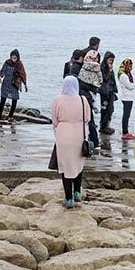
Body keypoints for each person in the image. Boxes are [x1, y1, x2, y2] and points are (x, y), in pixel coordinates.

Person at [52, 76, 91, 208]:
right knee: (78, 164)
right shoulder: (82, 100)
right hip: (79, 135)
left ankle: (68, 199)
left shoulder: (57, 100)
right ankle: (77, 193)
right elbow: (87, 118)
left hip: (63, 135)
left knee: (65, 166)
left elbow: (54, 120)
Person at [66, 49, 100, 148]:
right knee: (89, 120)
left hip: (77, 97)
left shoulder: (72, 67)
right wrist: (94, 88)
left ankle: (83, 140)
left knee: (81, 120)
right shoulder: (79, 68)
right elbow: (83, 83)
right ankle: (94, 142)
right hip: (84, 97)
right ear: (81, 58)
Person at [0, 49, 27, 121]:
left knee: (14, 100)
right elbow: (2, 71)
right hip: (6, 83)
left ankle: (10, 116)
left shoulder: (19, 64)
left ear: (18, 58)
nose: (13, 59)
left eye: (15, 58)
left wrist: (25, 84)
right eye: (12, 57)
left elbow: (23, 74)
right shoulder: (7, 62)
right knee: (3, 100)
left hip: (14, 84)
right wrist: (0, 79)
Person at [99, 51, 118, 135]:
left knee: (110, 109)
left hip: (110, 91)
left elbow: (113, 80)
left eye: (112, 60)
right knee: (105, 109)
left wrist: (115, 90)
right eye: (110, 60)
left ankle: (106, 125)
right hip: (105, 92)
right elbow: (105, 79)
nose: (111, 62)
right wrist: (110, 70)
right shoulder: (102, 68)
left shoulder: (109, 68)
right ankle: (103, 127)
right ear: (106, 59)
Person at [117, 58, 135, 140]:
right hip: (126, 97)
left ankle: (125, 132)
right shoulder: (123, 75)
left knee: (127, 115)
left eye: (131, 66)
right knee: (126, 115)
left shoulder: (127, 74)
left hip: (128, 97)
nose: (131, 68)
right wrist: (133, 85)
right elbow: (130, 86)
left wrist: (132, 84)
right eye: (129, 66)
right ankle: (125, 132)